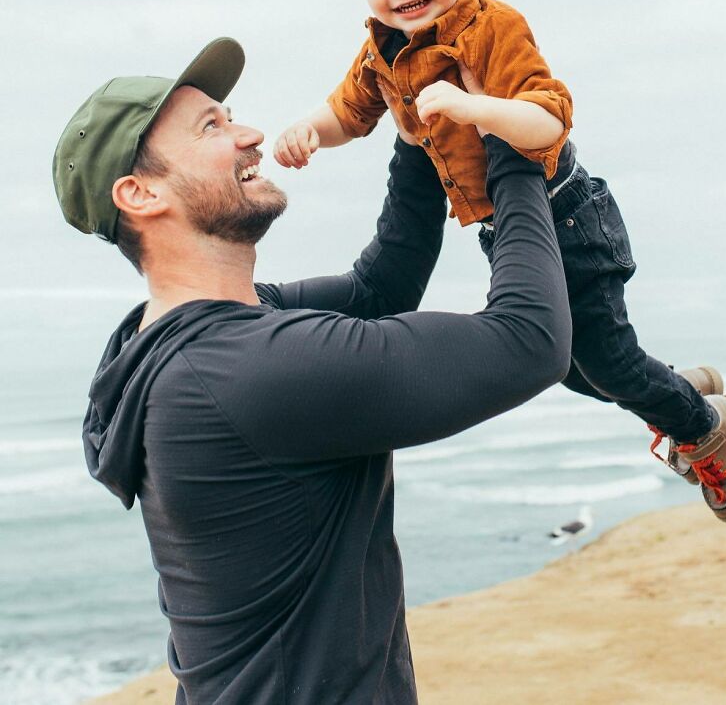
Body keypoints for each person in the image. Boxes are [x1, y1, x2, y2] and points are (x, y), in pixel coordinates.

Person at [52, 36, 574, 704]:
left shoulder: (170, 340)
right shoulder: (244, 372)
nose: (251, 135)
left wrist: (417, 124)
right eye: (213, 127)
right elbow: (528, 342)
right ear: (140, 193)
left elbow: (378, 289)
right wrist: (509, 138)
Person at [274, 0, 726, 522]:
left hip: (565, 215)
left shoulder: (490, 27)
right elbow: (348, 113)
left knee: (604, 360)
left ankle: (704, 425)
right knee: (560, 362)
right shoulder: (381, 51)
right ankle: (673, 387)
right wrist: (311, 132)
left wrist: (477, 107)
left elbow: (549, 122)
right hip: (504, 229)